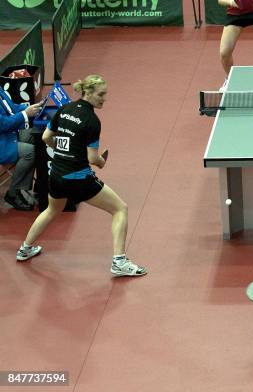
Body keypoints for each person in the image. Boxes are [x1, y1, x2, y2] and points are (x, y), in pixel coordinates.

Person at [16, 75, 147, 278]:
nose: (104, 99)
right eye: (101, 94)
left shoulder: (64, 109)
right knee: (120, 209)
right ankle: (119, 262)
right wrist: (102, 162)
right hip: (79, 179)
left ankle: (25, 248)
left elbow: (46, 138)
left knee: (52, 210)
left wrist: (63, 152)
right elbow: (93, 158)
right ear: (88, 93)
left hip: (57, 174)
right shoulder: (91, 121)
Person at [0, 87, 42, 211]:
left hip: (9, 135)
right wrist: (25, 114)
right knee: (30, 152)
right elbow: (2, 124)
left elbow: (11, 107)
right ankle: (13, 193)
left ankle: (42, 185)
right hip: (3, 141)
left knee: (37, 135)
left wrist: (33, 108)